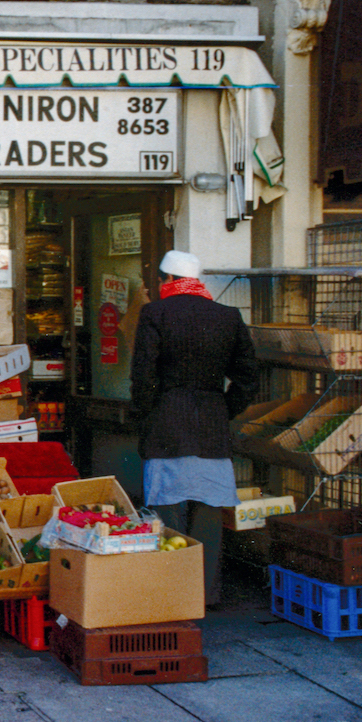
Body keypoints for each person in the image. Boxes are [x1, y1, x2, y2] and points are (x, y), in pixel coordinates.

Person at [129, 249, 259, 607]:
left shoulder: (155, 313)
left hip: (166, 423)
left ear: (168, 280)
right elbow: (248, 378)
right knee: (208, 512)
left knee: (168, 513)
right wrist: (223, 408)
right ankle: (206, 593)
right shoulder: (228, 316)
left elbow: (143, 376)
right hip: (212, 425)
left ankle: (173, 593)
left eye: (160, 279)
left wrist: (147, 411)